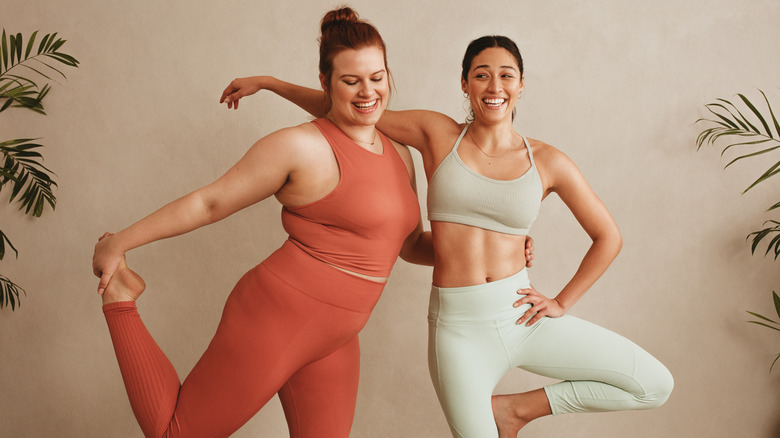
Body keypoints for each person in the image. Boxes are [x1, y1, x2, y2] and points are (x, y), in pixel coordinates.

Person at [221, 34, 674, 438]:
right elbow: (350, 108)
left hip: (521, 316)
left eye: (506, 75)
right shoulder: (438, 134)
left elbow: (607, 237)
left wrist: (561, 302)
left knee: (654, 384)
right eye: (481, 75)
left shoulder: (549, 161)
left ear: (521, 84)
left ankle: (514, 411)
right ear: (464, 84)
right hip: (459, 331)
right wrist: (270, 83)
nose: (494, 87)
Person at [92, 8, 435, 438]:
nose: (368, 91)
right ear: (326, 82)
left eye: (377, 77)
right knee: (174, 434)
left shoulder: (399, 153)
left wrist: (501, 248)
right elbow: (210, 202)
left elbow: (411, 245)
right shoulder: (299, 146)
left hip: (339, 335)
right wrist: (118, 243)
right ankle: (121, 300)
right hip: (279, 315)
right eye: (351, 81)